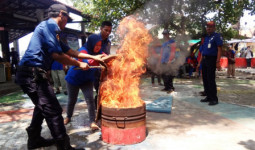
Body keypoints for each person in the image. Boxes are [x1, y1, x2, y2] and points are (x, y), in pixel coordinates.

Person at [15, 4, 105, 150]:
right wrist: (79, 64)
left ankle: (34, 139)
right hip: (32, 74)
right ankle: (64, 147)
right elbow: (57, 55)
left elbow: (72, 52)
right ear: (61, 15)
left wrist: (94, 57)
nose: (67, 22)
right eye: (67, 19)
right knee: (53, 110)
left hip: (31, 73)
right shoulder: (50, 26)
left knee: (41, 107)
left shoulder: (52, 32)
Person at [63, 34, 115, 130]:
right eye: (96, 45)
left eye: (100, 45)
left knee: (90, 100)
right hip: (73, 79)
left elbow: (105, 57)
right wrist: (97, 58)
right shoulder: (83, 50)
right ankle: (68, 117)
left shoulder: (99, 51)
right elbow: (86, 62)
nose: (98, 47)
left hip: (87, 80)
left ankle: (92, 121)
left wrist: (112, 58)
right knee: (72, 100)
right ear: (91, 43)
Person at [199, 21, 223, 106]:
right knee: (205, 78)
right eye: (207, 27)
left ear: (214, 28)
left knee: (211, 79)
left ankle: (214, 99)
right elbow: (203, 50)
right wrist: (201, 61)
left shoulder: (217, 36)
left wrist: (218, 61)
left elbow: (219, 49)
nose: (208, 28)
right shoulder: (206, 37)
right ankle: (208, 96)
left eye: (210, 27)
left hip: (212, 59)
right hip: (205, 59)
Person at [93, 21, 112, 108]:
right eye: (106, 30)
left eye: (109, 31)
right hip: (95, 69)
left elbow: (107, 55)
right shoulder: (94, 39)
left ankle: (102, 107)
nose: (108, 33)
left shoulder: (108, 42)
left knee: (107, 89)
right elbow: (93, 55)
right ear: (101, 28)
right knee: (99, 89)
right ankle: (98, 108)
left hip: (104, 69)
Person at [160, 29, 176, 94]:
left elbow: (173, 51)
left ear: (168, 34)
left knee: (169, 74)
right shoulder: (164, 43)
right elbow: (162, 52)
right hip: (163, 61)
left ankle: (170, 88)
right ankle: (166, 87)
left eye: (166, 34)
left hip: (169, 61)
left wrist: (170, 60)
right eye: (164, 34)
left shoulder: (172, 42)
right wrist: (160, 60)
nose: (165, 35)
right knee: (163, 74)